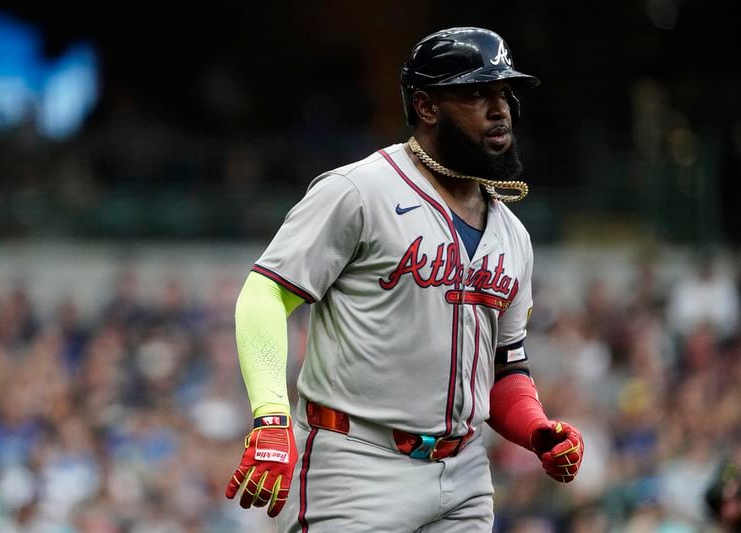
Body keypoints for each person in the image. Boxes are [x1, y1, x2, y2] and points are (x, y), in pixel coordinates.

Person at [225, 27, 584, 532]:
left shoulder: (513, 235)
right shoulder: (359, 191)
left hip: (464, 474)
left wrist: (536, 428)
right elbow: (263, 295)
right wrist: (270, 415)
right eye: (476, 93)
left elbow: (506, 367)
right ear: (427, 106)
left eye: (503, 93)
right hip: (356, 465)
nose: (499, 108)